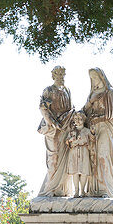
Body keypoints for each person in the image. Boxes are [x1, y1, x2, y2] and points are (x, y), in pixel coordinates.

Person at [82, 67, 113, 198]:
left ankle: (106, 190)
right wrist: (90, 102)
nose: (94, 80)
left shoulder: (110, 93)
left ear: (102, 77)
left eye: (96, 76)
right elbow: (84, 112)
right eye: (91, 77)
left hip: (105, 128)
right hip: (92, 129)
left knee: (103, 157)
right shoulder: (91, 94)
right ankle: (94, 190)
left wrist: (99, 118)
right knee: (92, 159)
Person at [36, 66, 73, 197]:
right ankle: (50, 188)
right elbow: (43, 108)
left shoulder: (67, 90)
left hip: (66, 128)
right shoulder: (49, 90)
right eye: (58, 75)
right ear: (53, 76)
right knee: (53, 158)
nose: (61, 77)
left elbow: (70, 109)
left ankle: (62, 189)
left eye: (63, 74)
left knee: (66, 158)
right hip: (53, 129)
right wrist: (52, 122)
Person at [64, 112, 94, 196]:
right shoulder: (72, 131)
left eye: (80, 119)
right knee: (75, 172)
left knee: (84, 171)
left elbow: (93, 139)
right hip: (73, 152)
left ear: (83, 120)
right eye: (76, 119)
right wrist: (70, 140)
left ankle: (82, 191)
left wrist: (92, 132)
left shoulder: (87, 131)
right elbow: (67, 141)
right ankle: (76, 191)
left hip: (84, 151)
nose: (78, 121)